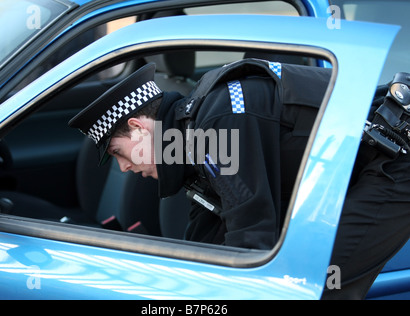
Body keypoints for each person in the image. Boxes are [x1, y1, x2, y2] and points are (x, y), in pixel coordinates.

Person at [69, 61, 410, 298]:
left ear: (140, 129)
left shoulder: (215, 125)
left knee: (311, 285)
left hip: (397, 158)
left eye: (119, 153)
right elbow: (208, 234)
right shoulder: (191, 134)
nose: (125, 168)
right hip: (374, 163)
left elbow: (252, 238)